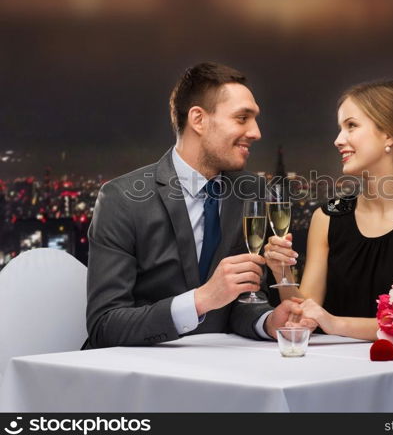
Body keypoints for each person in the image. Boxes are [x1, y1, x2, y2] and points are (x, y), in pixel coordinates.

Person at [85, 62, 303, 349]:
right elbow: (105, 326)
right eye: (242, 118)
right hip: (138, 376)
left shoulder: (251, 191)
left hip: (220, 370)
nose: (256, 132)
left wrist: (266, 322)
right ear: (198, 120)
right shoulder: (122, 199)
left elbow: (244, 299)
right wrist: (201, 300)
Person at [264, 80, 393, 340]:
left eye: (351, 126)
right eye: (340, 128)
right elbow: (304, 314)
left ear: (390, 133)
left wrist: (334, 323)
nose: (337, 140)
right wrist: (283, 273)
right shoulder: (327, 217)